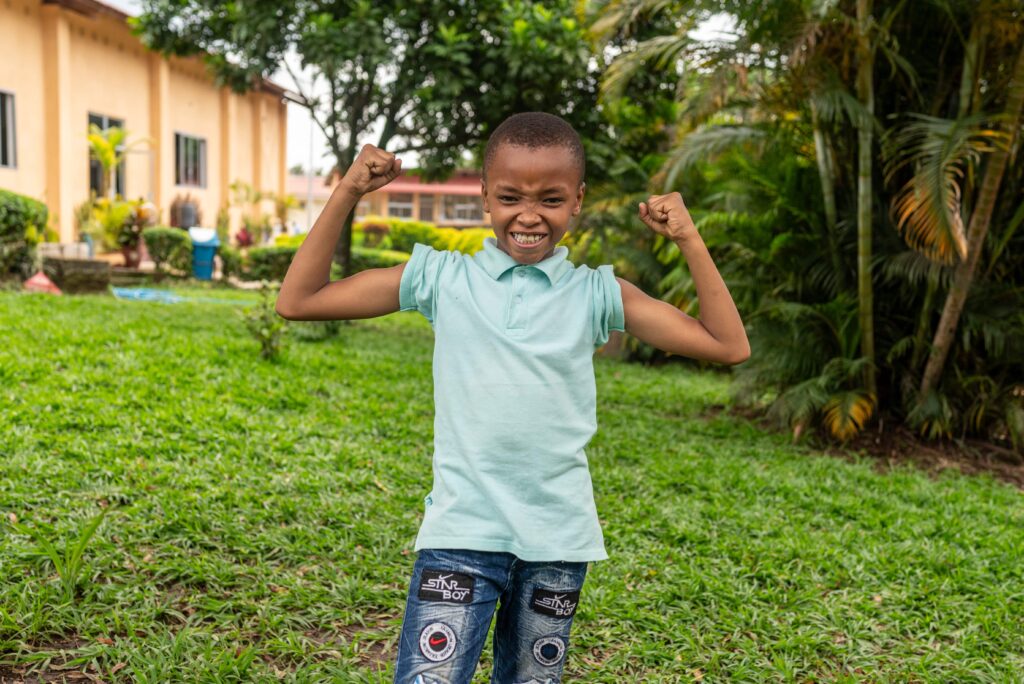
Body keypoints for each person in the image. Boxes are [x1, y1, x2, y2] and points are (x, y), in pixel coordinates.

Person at [275, 112, 750, 684]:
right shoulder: (441, 278)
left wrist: (688, 239)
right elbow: (299, 300)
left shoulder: (598, 292)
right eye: (509, 197)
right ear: (484, 198)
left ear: (577, 200)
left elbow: (727, 344)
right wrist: (348, 189)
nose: (528, 215)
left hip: (556, 541)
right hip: (460, 533)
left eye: (550, 199)